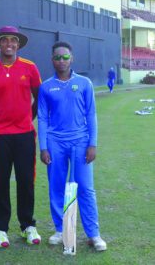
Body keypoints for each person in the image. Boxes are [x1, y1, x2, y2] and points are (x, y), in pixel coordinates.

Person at [0, 26, 42, 248]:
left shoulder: (30, 68)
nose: (9, 44)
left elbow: (38, 99)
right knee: (0, 182)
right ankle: (0, 229)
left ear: (18, 44)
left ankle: (27, 226)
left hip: (24, 135)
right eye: (4, 40)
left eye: (13, 40)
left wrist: (25, 118)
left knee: (26, 181)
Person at [38, 41, 107, 252]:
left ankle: (93, 234)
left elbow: (91, 114)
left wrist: (92, 143)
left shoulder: (84, 83)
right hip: (55, 142)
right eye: (57, 57)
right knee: (57, 187)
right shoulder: (46, 86)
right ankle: (62, 231)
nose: (61, 61)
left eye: (65, 57)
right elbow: (42, 118)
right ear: (52, 60)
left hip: (80, 141)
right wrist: (43, 147)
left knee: (85, 188)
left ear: (72, 58)